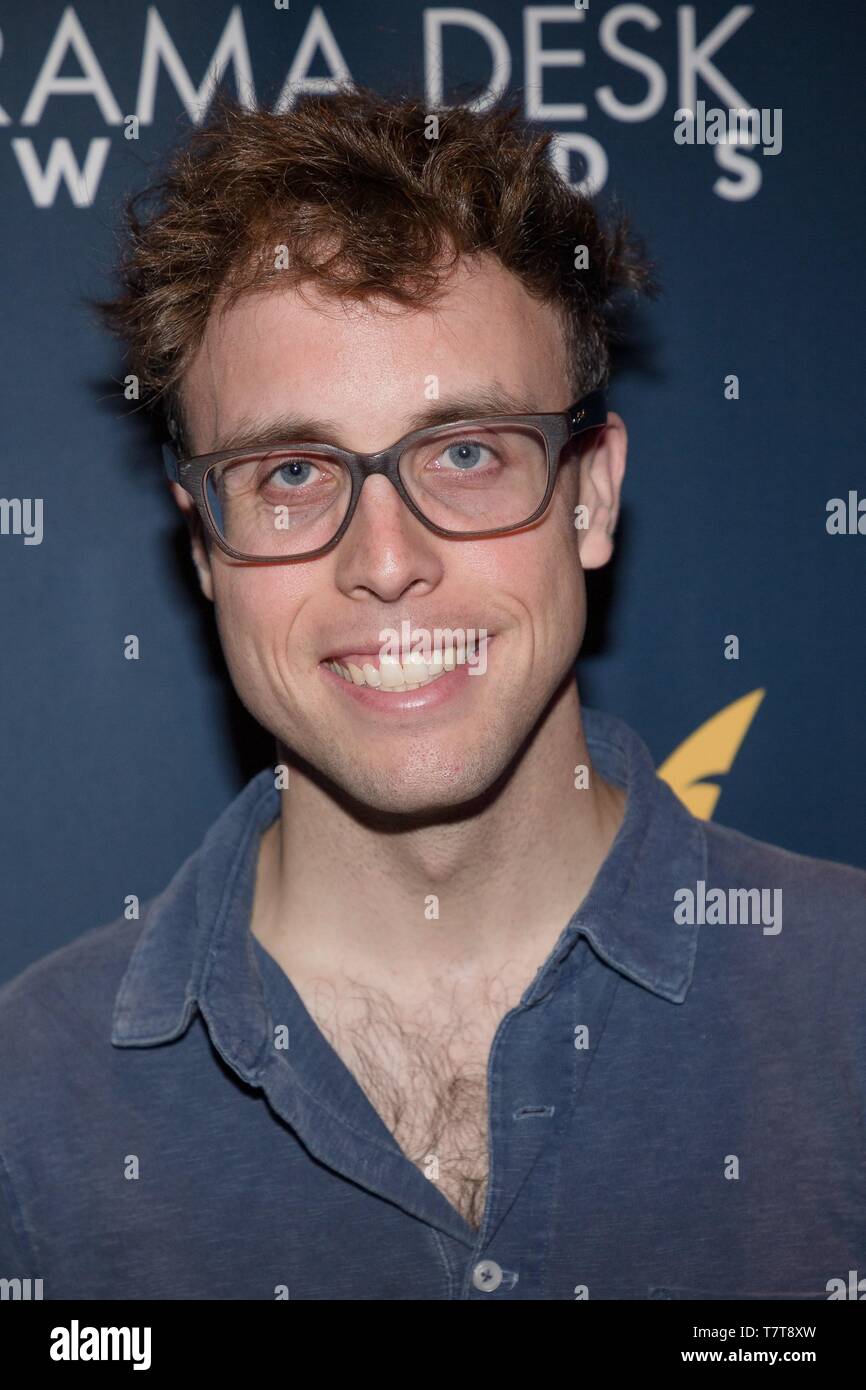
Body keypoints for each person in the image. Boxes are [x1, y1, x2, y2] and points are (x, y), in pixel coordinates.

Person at [1, 88, 863, 1302]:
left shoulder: (847, 1005)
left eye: (464, 452)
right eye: (291, 471)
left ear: (589, 496)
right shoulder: (28, 1108)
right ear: (202, 546)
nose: (386, 559)